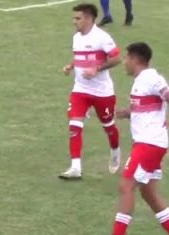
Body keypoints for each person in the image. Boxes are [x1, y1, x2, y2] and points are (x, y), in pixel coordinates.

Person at [91, 42, 169, 235]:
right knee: (148, 192)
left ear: (135, 59)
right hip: (148, 143)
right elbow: (149, 107)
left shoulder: (151, 78)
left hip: (149, 144)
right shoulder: (140, 82)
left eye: (126, 58)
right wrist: (127, 113)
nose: (124, 63)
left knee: (126, 184)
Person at [60, 3, 123, 180]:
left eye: (78, 18)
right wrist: (71, 66)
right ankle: (75, 168)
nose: (74, 22)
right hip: (80, 89)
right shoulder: (76, 38)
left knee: (108, 126)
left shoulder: (102, 37)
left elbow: (117, 58)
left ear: (89, 19)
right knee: (74, 126)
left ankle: (115, 151)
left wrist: (97, 69)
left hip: (102, 92)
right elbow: (79, 56)